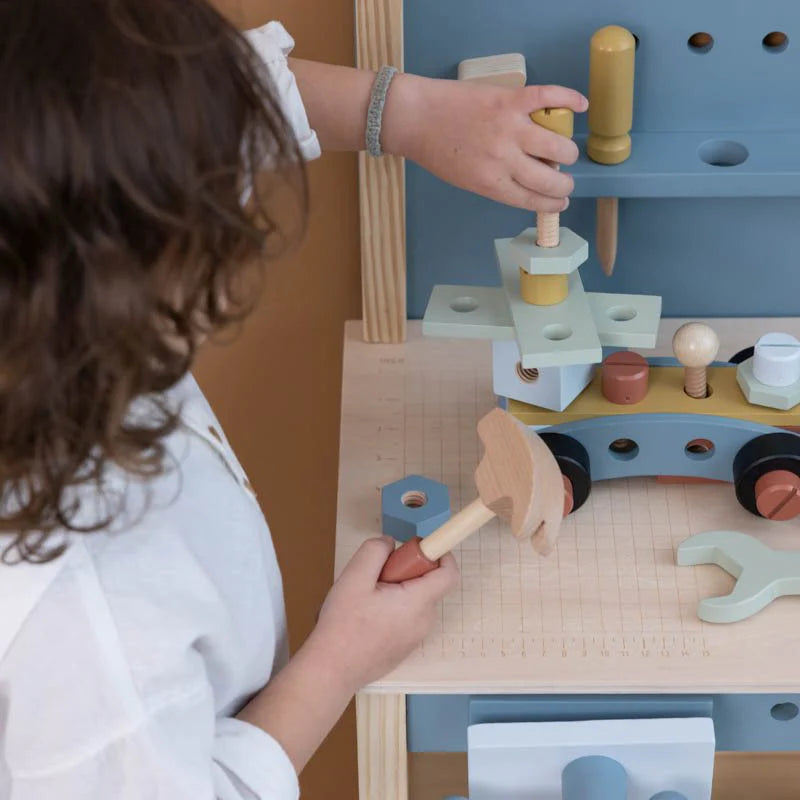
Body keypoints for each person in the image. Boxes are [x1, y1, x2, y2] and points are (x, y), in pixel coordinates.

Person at [0, 1, 587, 798]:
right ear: (133, 263)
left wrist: (406, 113)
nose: (236, 198)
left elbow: (212, 100)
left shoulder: (47, 286)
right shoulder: (85, 613)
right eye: (212, 208)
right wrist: (337, 661)